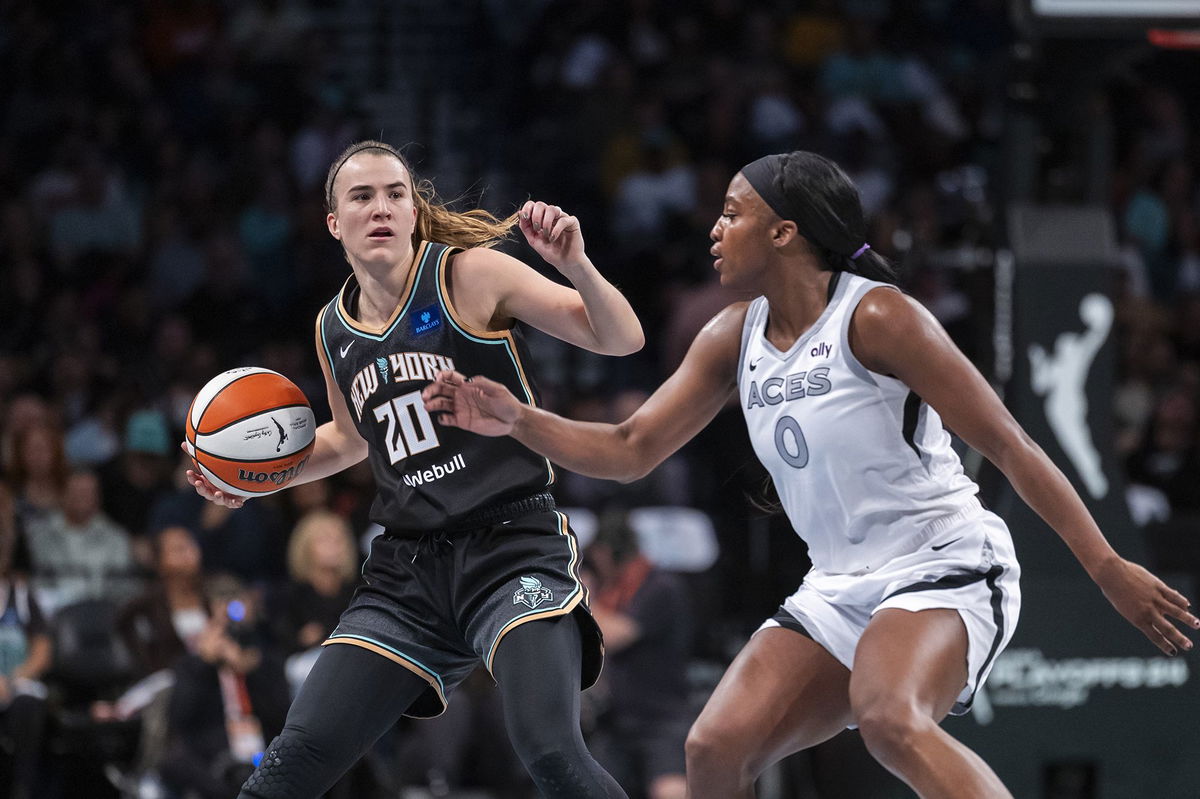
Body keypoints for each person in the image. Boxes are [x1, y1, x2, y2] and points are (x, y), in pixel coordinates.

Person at [422, 150, 1199, 799]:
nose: (715, 229)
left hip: (944, 565)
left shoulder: (879, 317)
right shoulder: (733, 335)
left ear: (785, 231)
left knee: (891, 718)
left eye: (733, 212)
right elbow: (630, 448)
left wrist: (1107, 569)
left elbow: (1011, 445)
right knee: (713, 748)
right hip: (838, 586)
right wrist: (517, 418)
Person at [185, 139, 642, 798]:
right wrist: (247, 478)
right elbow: (346, 439)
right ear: (334, 224)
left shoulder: (470, 276)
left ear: (412, 209)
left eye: (395, 193)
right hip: (408, 574)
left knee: (551, 753)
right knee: (290, 764)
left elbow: (621, 337)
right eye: (362, 196)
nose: (382, 207)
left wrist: (579, 267)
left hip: (510, 550)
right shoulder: (332, 328)